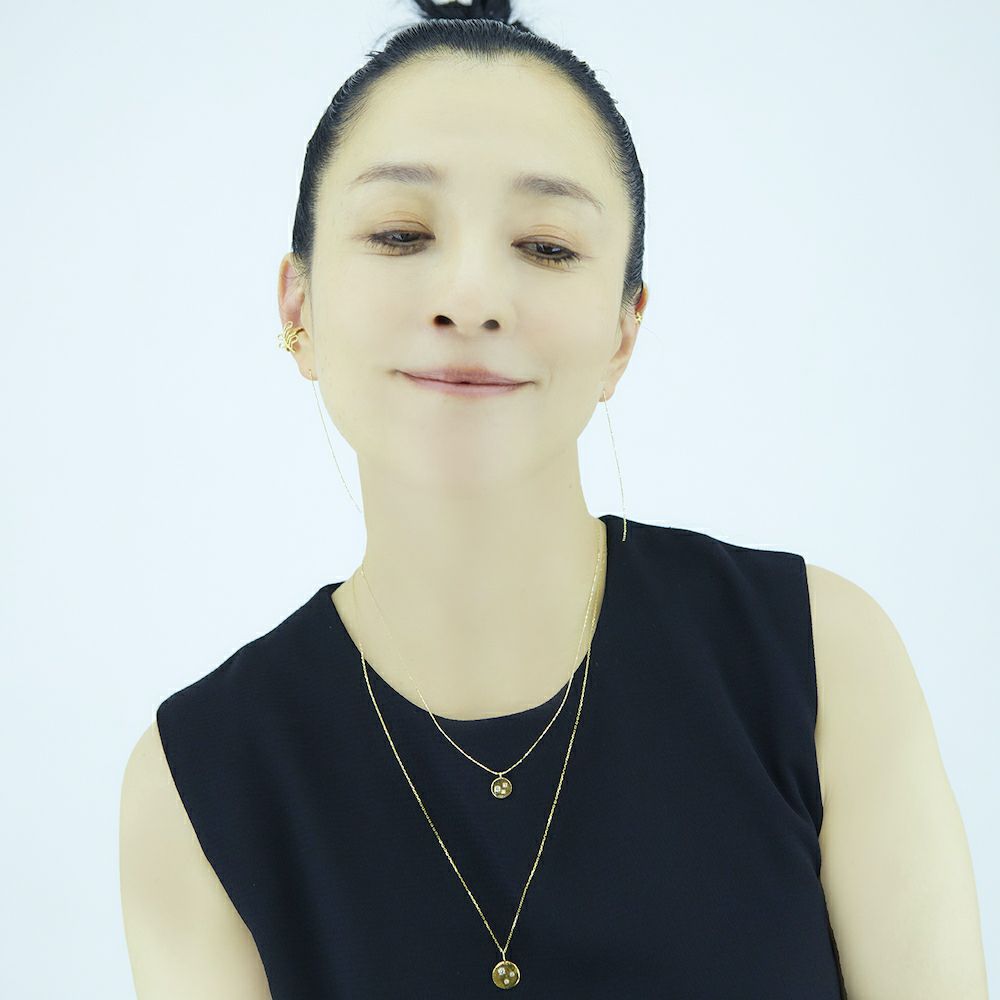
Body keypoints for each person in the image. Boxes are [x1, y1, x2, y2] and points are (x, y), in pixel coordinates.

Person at [119, 1, 989, 997]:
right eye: (400, 233)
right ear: (298, 308)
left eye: (546, 247)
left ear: (624, 332)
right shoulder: (194, 782)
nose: (470, 298)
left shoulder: (821, 659)